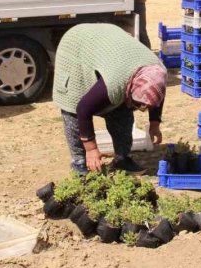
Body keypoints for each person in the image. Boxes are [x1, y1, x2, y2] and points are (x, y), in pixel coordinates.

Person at [53, 23, 167, 175]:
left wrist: (154, 123)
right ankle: (79, 161)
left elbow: (156, 95)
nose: (142, 108)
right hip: (77, 45)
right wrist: (92, 149)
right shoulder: (115, 82)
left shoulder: (157, 73)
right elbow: (83, 109)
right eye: (139, 104)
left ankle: (122, 158)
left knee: (122, 110)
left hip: (110, 45)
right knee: (72, 107)